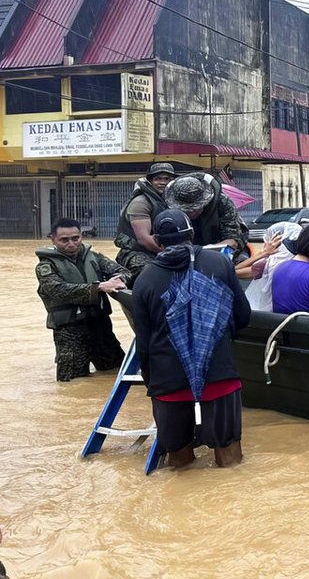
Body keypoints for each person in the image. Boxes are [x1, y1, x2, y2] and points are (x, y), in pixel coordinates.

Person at [131, 209, 251, 469]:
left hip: (169, 380)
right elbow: (242, 315)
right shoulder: (219, 264)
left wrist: (154, 383)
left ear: (158, 242)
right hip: (218, 375)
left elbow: (143, 341)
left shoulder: (144, 279)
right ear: (192, 234)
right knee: (229, 456)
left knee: (178, 460)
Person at [35, 218, 128, 382]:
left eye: (75, 238)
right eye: (64, 240)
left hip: (100, 326)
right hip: (70, 332)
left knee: (116, 372)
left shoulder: (94, 257)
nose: (71, 243)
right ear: (53, 239)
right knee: (72, 384)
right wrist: (98, 287)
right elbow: (57, 290)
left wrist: (118, 280)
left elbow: (123, 272)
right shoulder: (46, 266)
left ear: (81, 237)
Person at [114, 162, 177, 280]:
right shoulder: (141, 203)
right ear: (151, 181)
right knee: (150, 272)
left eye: (166, 179)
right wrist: (173, 254)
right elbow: (144, 240)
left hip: (164, 249)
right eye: (158, 179)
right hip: (137, 252)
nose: (163, 182)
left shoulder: (172, 200)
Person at [164, 172, 249, 260]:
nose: (192, 212)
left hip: (221, 251)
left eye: (196, 208)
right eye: (187, 210)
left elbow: (233, 241)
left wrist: (203, 252)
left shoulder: (222, 203)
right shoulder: (169, 208)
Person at [240, 221, 301, 311]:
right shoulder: (299, 263)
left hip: (259, 314)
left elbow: (232, 271)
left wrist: (263, 253)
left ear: (275, 242)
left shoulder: (268, 265)